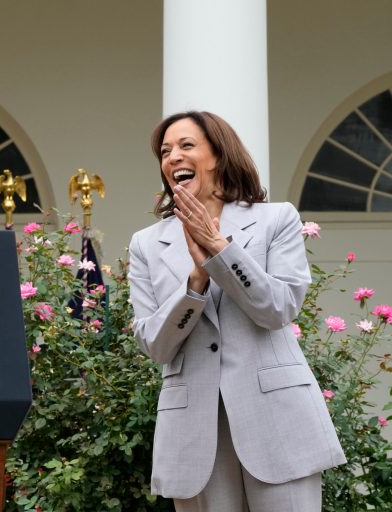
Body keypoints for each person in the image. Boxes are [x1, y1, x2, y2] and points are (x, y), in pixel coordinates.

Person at [128, 111, 345, 511]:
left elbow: (278, 308)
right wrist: (195, 283)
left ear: (218, 154)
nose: (173, 156)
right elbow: (153, 345)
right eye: (165, 151)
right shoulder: (146, 244)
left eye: (186, 146)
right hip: (194, 431)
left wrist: (220, 251)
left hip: (278, 421)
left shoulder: (275, 219)